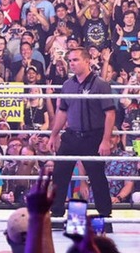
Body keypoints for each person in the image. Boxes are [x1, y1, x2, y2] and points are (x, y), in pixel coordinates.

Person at [48, 47, 115, 220]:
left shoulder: (100, 84)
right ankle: (56, 214)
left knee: (97, 176)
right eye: (70, 60)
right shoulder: (68, 85)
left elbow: (110, 113)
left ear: (87, 61)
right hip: (71, 135)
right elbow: (62, 111)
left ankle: (105, 215)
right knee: (59, 174)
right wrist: (54, 135)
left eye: (76, 60)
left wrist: (106, 140)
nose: (72, 64)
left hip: (93, 136)